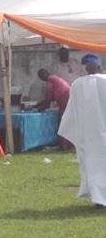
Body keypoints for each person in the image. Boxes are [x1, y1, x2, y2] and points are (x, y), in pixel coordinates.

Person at [58, 54, 106, 208]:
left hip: (88, 135)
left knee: (93, 165)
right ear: (98, 66)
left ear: (85, 68)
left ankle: (98, 198)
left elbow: (72, 111)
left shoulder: (77, 84)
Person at [35, 68, 73, 150]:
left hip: (65, 102)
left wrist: (38, 109)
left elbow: (47, 101)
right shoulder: (55, 79)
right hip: (68, 102)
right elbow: (49, 98)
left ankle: (64, 146)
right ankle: (69, 145)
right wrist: (37, 105)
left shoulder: (50, 81)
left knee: (63, 124)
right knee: (68, 124)